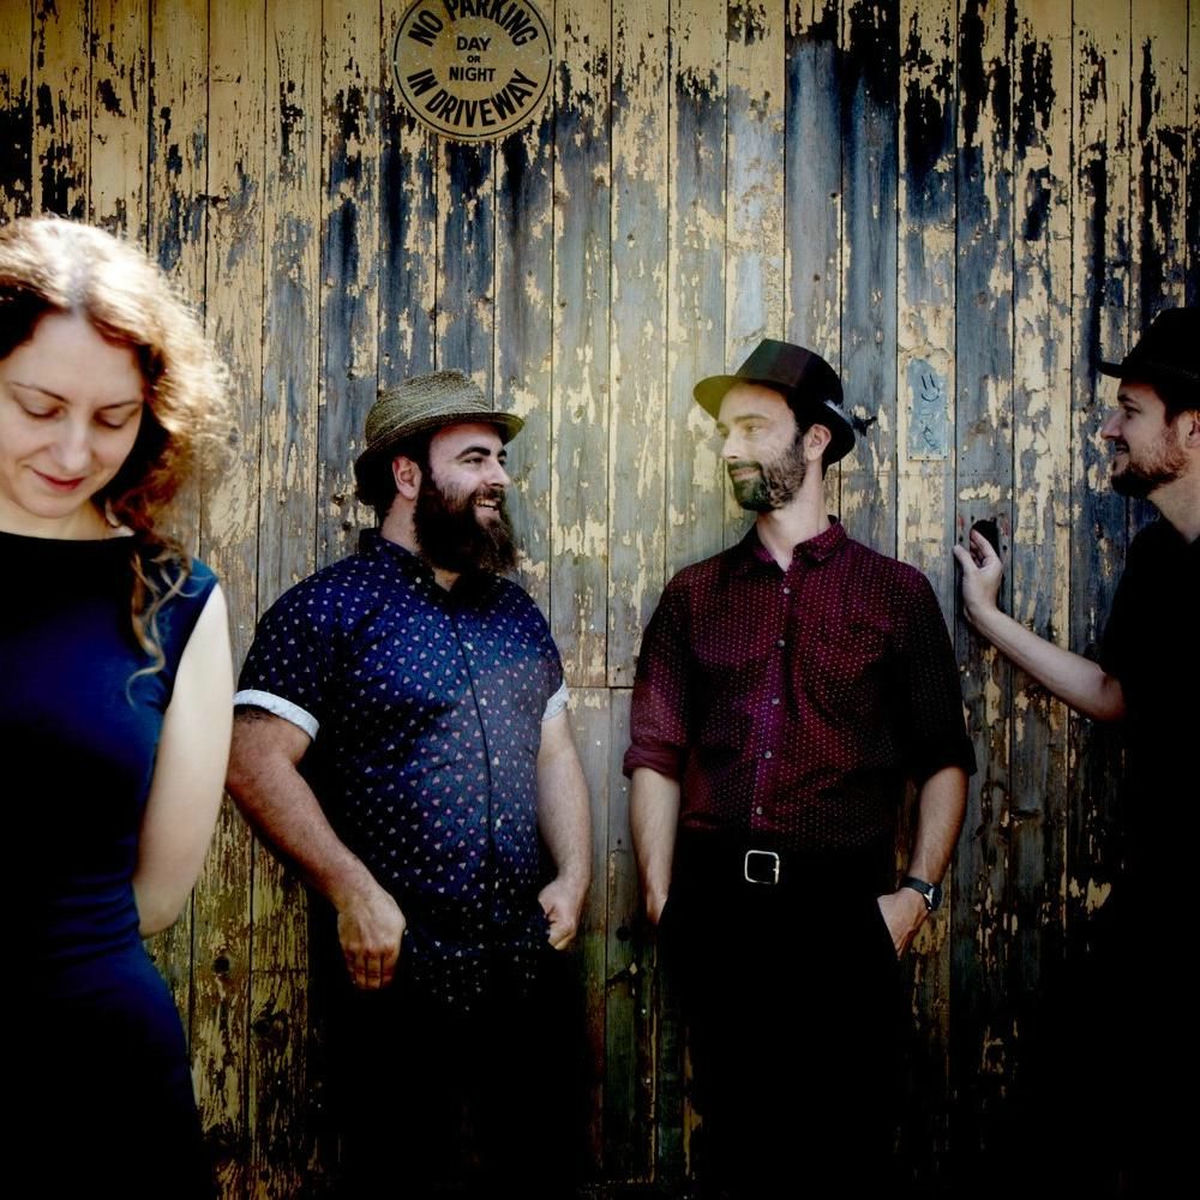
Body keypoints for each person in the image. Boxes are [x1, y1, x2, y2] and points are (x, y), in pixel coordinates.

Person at [225, 370, 591, 1197]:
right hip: (396, 975)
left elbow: (555, 752)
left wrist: (573, 875)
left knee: (543, 1171)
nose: (499, 477)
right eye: (475, 458)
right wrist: (353, 892)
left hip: (527, 969)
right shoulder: (326, 609)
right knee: (401, 1174)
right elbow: (252, 760)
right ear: (407, 474)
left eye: (500, 459)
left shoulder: (515, 615)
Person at [626, 338, 974, 1194]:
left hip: (843, 913)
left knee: (845, 1151)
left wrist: (916, 897)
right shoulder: (692, 596)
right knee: (736, 1152)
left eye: (751, 426)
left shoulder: (895, 595)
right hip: (719, 911)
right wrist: (664, 897)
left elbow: (943, 759)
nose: (729, 446)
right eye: (724, 430)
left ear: (815, 440)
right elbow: (656, 755)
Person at [1, 217, 233, 1196]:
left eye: (113, 417)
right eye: (38, 406)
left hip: (100, 1079)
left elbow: (161, 894)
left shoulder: (181, 599)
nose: (73, 450)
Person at [954, 306, 1198, 1193]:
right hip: (1164, 901)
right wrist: (986, 617)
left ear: (1191, 427)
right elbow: (1114, 694)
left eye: (1129, 411)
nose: (1107, 429)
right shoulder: (1158, 564)